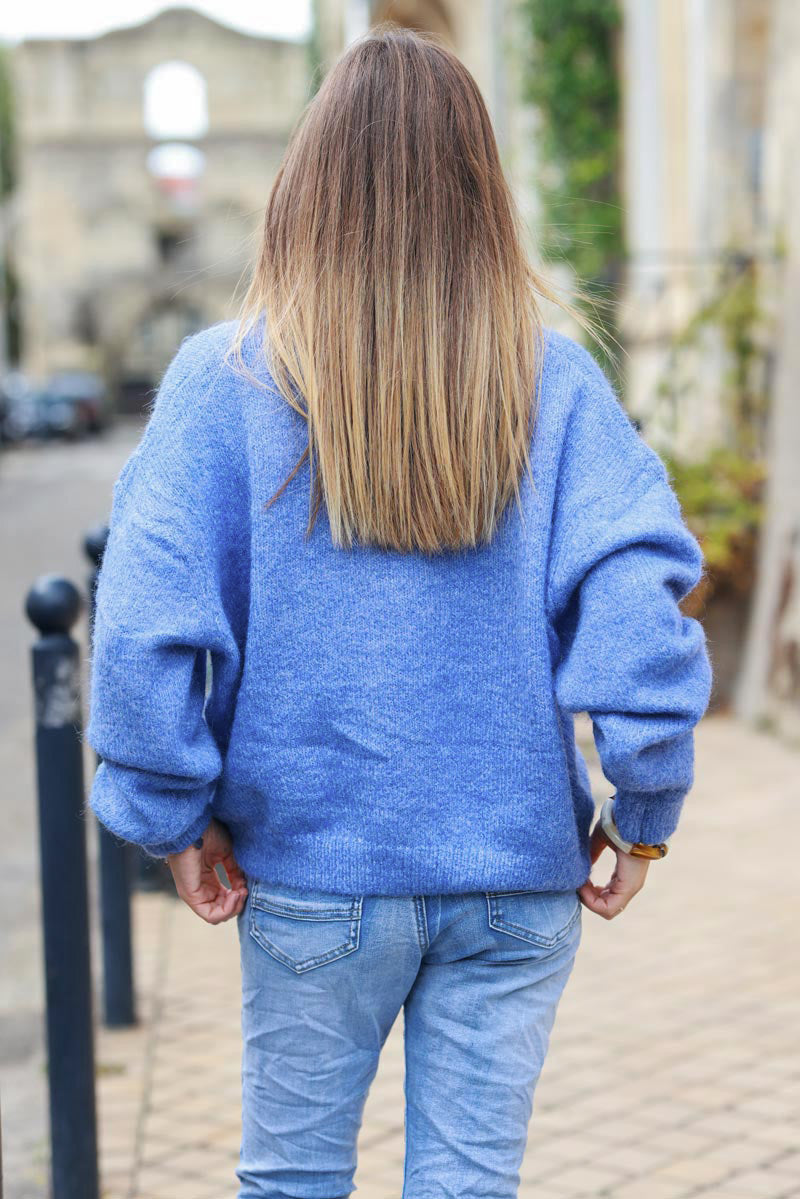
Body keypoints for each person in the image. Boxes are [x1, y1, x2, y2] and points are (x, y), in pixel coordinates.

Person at [86, 24, 712, 1199]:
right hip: (516, 873)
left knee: (290, 1179)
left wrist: (171, 811)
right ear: (483, 193)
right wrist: (645, 804)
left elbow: (139, 628)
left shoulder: (224, 380)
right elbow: (638, 602)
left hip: (310, 874)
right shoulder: (555, 381)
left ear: (304, 189)